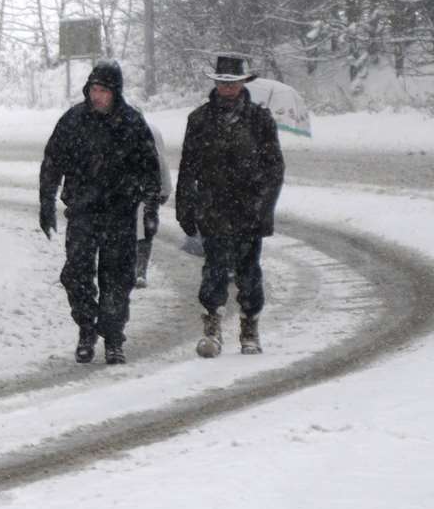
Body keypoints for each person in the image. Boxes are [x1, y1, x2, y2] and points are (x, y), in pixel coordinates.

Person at [37, 60, 163, 365]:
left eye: (103, 90)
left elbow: (150, 171)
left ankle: (113, 337)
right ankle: (86, 327)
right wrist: (46, 203)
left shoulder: (132, 124)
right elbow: (52, 162)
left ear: (115, 92)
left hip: (120, 213)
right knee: (75, 273)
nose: (97, 96)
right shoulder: (73, 121)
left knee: (117, 278)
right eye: (93, 89)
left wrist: (150, 209)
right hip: (82, 212)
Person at [175, 53, 285, 357]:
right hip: (212, 208)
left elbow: (275, 168)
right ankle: (212, 327)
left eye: (233, 82)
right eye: (222, 82)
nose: (227, 88)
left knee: (249, 270)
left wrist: (264, 207)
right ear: (215, 83)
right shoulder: (198, 120)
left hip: (249, 209)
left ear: (243, 83)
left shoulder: (260, 120)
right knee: (214, 269)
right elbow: (188, 168)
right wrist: (185, 205)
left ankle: (250, 327)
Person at [134, 119, 172, 289]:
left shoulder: (150, 130)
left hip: (146, 189)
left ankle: (139, 271)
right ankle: (136, 270)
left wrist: (165, 188)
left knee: (144, 229)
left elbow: (161, 161)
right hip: (137, 190)